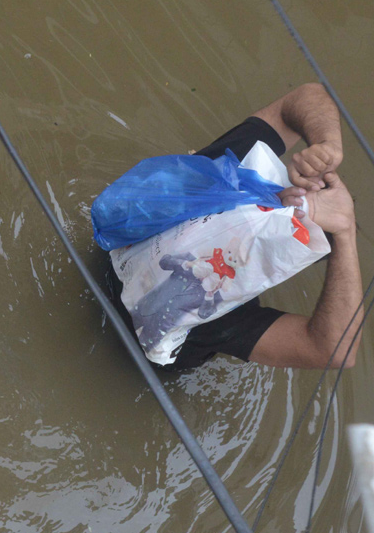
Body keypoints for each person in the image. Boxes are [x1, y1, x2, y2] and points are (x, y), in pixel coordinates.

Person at [109, 83, 363, 371]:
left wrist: (345, 232)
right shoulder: (231, 172)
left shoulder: (227, 307)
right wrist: (327, 144)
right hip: (103, 267)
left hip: (129, 356)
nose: (294, 205)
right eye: (300, 198)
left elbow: (334, 351)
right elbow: (307, 96)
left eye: (297, 221)